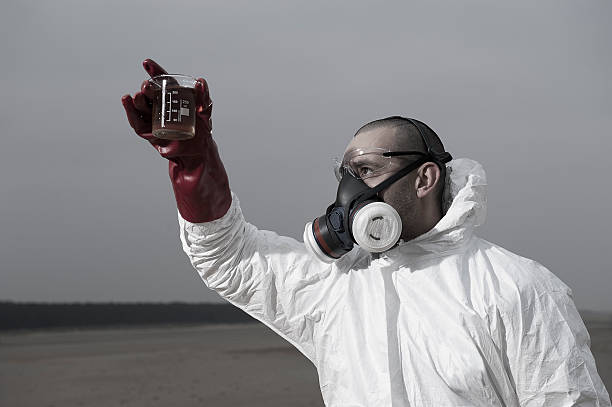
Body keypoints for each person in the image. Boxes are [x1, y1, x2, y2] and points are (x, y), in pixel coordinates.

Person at [121, 59, 611, 406]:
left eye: (367, 170)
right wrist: (195, 162)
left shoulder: (518, 288)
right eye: (344, 173)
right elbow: (231, 260)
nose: (350, 189)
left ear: (424, 178)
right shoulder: (338, 286)